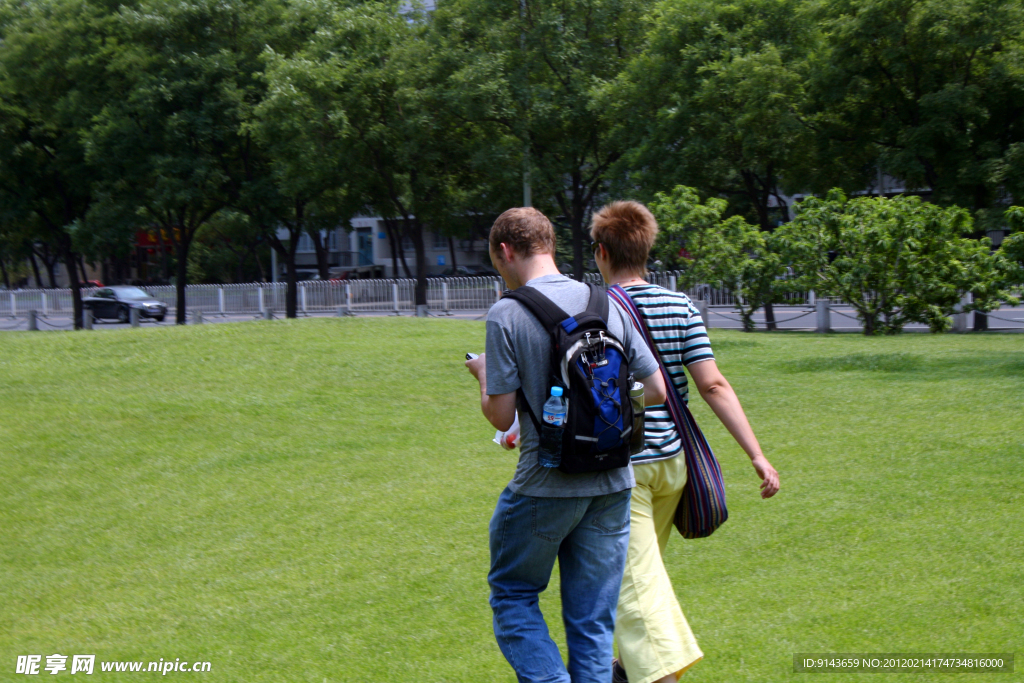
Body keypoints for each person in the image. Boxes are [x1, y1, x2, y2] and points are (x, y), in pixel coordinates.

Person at [465, 207, 668, 683]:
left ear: (505, 251)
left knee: (513, 595)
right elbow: (655, 390)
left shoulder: (507, 312)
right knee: (592, 620)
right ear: (551, 246)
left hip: (544, 484)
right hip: (614, 481)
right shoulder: (608, 302)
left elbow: (501, 415)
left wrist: (483, 376)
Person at [589, 201, 781, 683]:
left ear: (601, 253)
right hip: (674, 464)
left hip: (625, 466)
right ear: (647, 248)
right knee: (638, 578)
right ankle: (629, 671)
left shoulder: (596, 309)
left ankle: (660, 675)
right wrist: (756, 455)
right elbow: (712, 385)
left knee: (635, 588)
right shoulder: (680, 305)